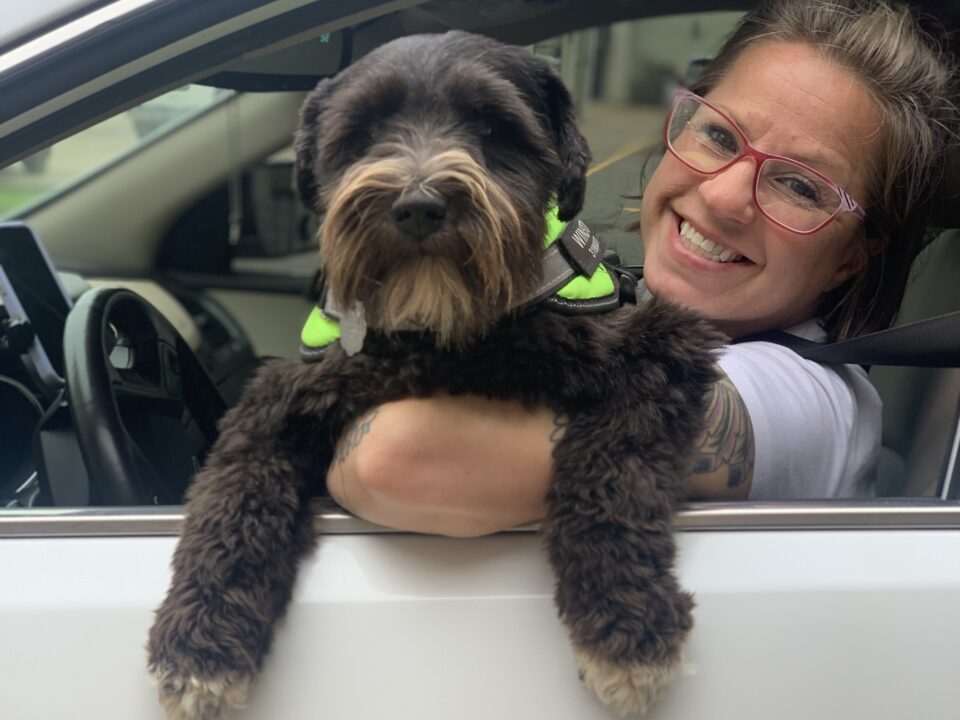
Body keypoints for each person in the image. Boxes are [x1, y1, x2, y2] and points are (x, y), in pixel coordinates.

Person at [324, 0, 959, 536]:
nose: (721, 196)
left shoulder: (807, 401)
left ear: (854, 254)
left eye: (799, 185)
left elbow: (397, 459)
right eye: (717, 135)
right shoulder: (611, 304)